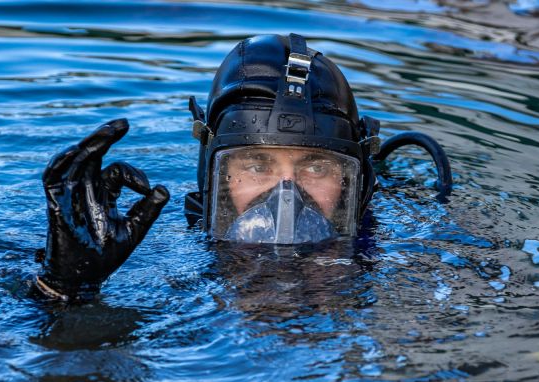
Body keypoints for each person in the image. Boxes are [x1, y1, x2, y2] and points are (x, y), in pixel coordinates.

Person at [33, 34, 453, 302]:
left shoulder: (420, 264)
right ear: (212, 177)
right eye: (256, 164)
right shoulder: (163, 262)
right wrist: (65, 289)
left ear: (355, 183)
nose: (286, 196)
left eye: (317, 166)